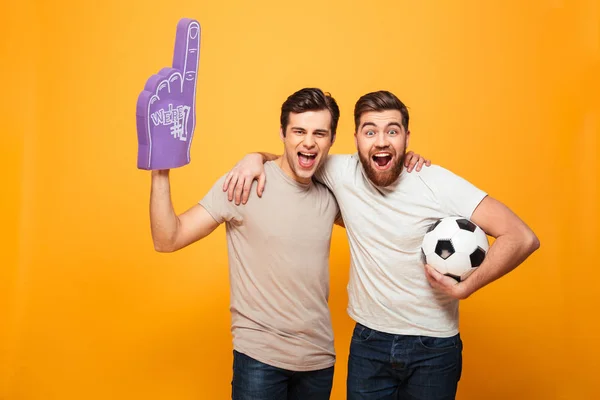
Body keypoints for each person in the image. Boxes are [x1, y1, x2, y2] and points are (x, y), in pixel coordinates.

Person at [222, 90, 540, 400]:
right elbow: (292, 157)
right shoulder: (338, 172)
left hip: (434, 347)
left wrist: (465, 288)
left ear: (406, 137)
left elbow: (521, 237)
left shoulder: (437, 182)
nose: (382, 140)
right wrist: (254, 159)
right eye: (370, 131)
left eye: (392, 131)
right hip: (368, 345)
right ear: (356, 138)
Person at [148, 87, 427, 400]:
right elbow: (167, 239)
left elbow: (387, 217)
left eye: (319, 133)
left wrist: (403, 164)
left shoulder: (332, 192)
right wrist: (160, 167)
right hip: (259, 359)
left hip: (319, 362)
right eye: (299, 131)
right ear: (282, 133)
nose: (308, 142)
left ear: (331, 140)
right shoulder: (244, 184)